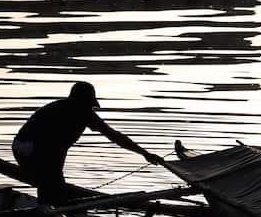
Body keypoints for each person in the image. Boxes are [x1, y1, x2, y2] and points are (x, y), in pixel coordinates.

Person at [12, 81, 164, 205]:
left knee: (53, 182)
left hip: (31, 148)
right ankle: (49, 214)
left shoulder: (81, 112)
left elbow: (114, 136)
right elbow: (51, 150)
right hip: (31, 147)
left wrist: (145, 153)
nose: (90, 108)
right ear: (79, 101)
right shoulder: (68, 112)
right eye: (87, 104)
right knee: (51, 182)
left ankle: (54, 205)